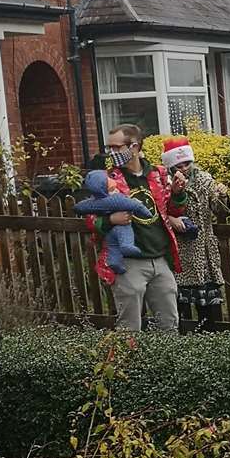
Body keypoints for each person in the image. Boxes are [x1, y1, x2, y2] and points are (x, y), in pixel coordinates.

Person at [87, 125, 186, 332]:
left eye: (116, 147)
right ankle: (126, 365)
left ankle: (166, 364)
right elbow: (92, 219)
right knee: (129, 328)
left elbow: (170, 211)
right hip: (127, 263)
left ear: (134, 147)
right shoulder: (107, 180)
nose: (111, 153)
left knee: (168, 324)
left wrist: (177, 193)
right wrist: (111, 219)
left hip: (160, 259)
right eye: (109, 148)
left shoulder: (158, 174)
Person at [161, 137, 230, 332]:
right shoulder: (162, 182)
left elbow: (220, 211)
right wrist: (172, 220)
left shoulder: (204, 179)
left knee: (207, 303)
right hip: (178, 249)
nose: (183, 168)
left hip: (204, 248)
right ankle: (181, 338)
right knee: (178, 301)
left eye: (187, 163)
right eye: (178, 164)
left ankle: (208, 338)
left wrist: (222, 195)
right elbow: (158, 212)